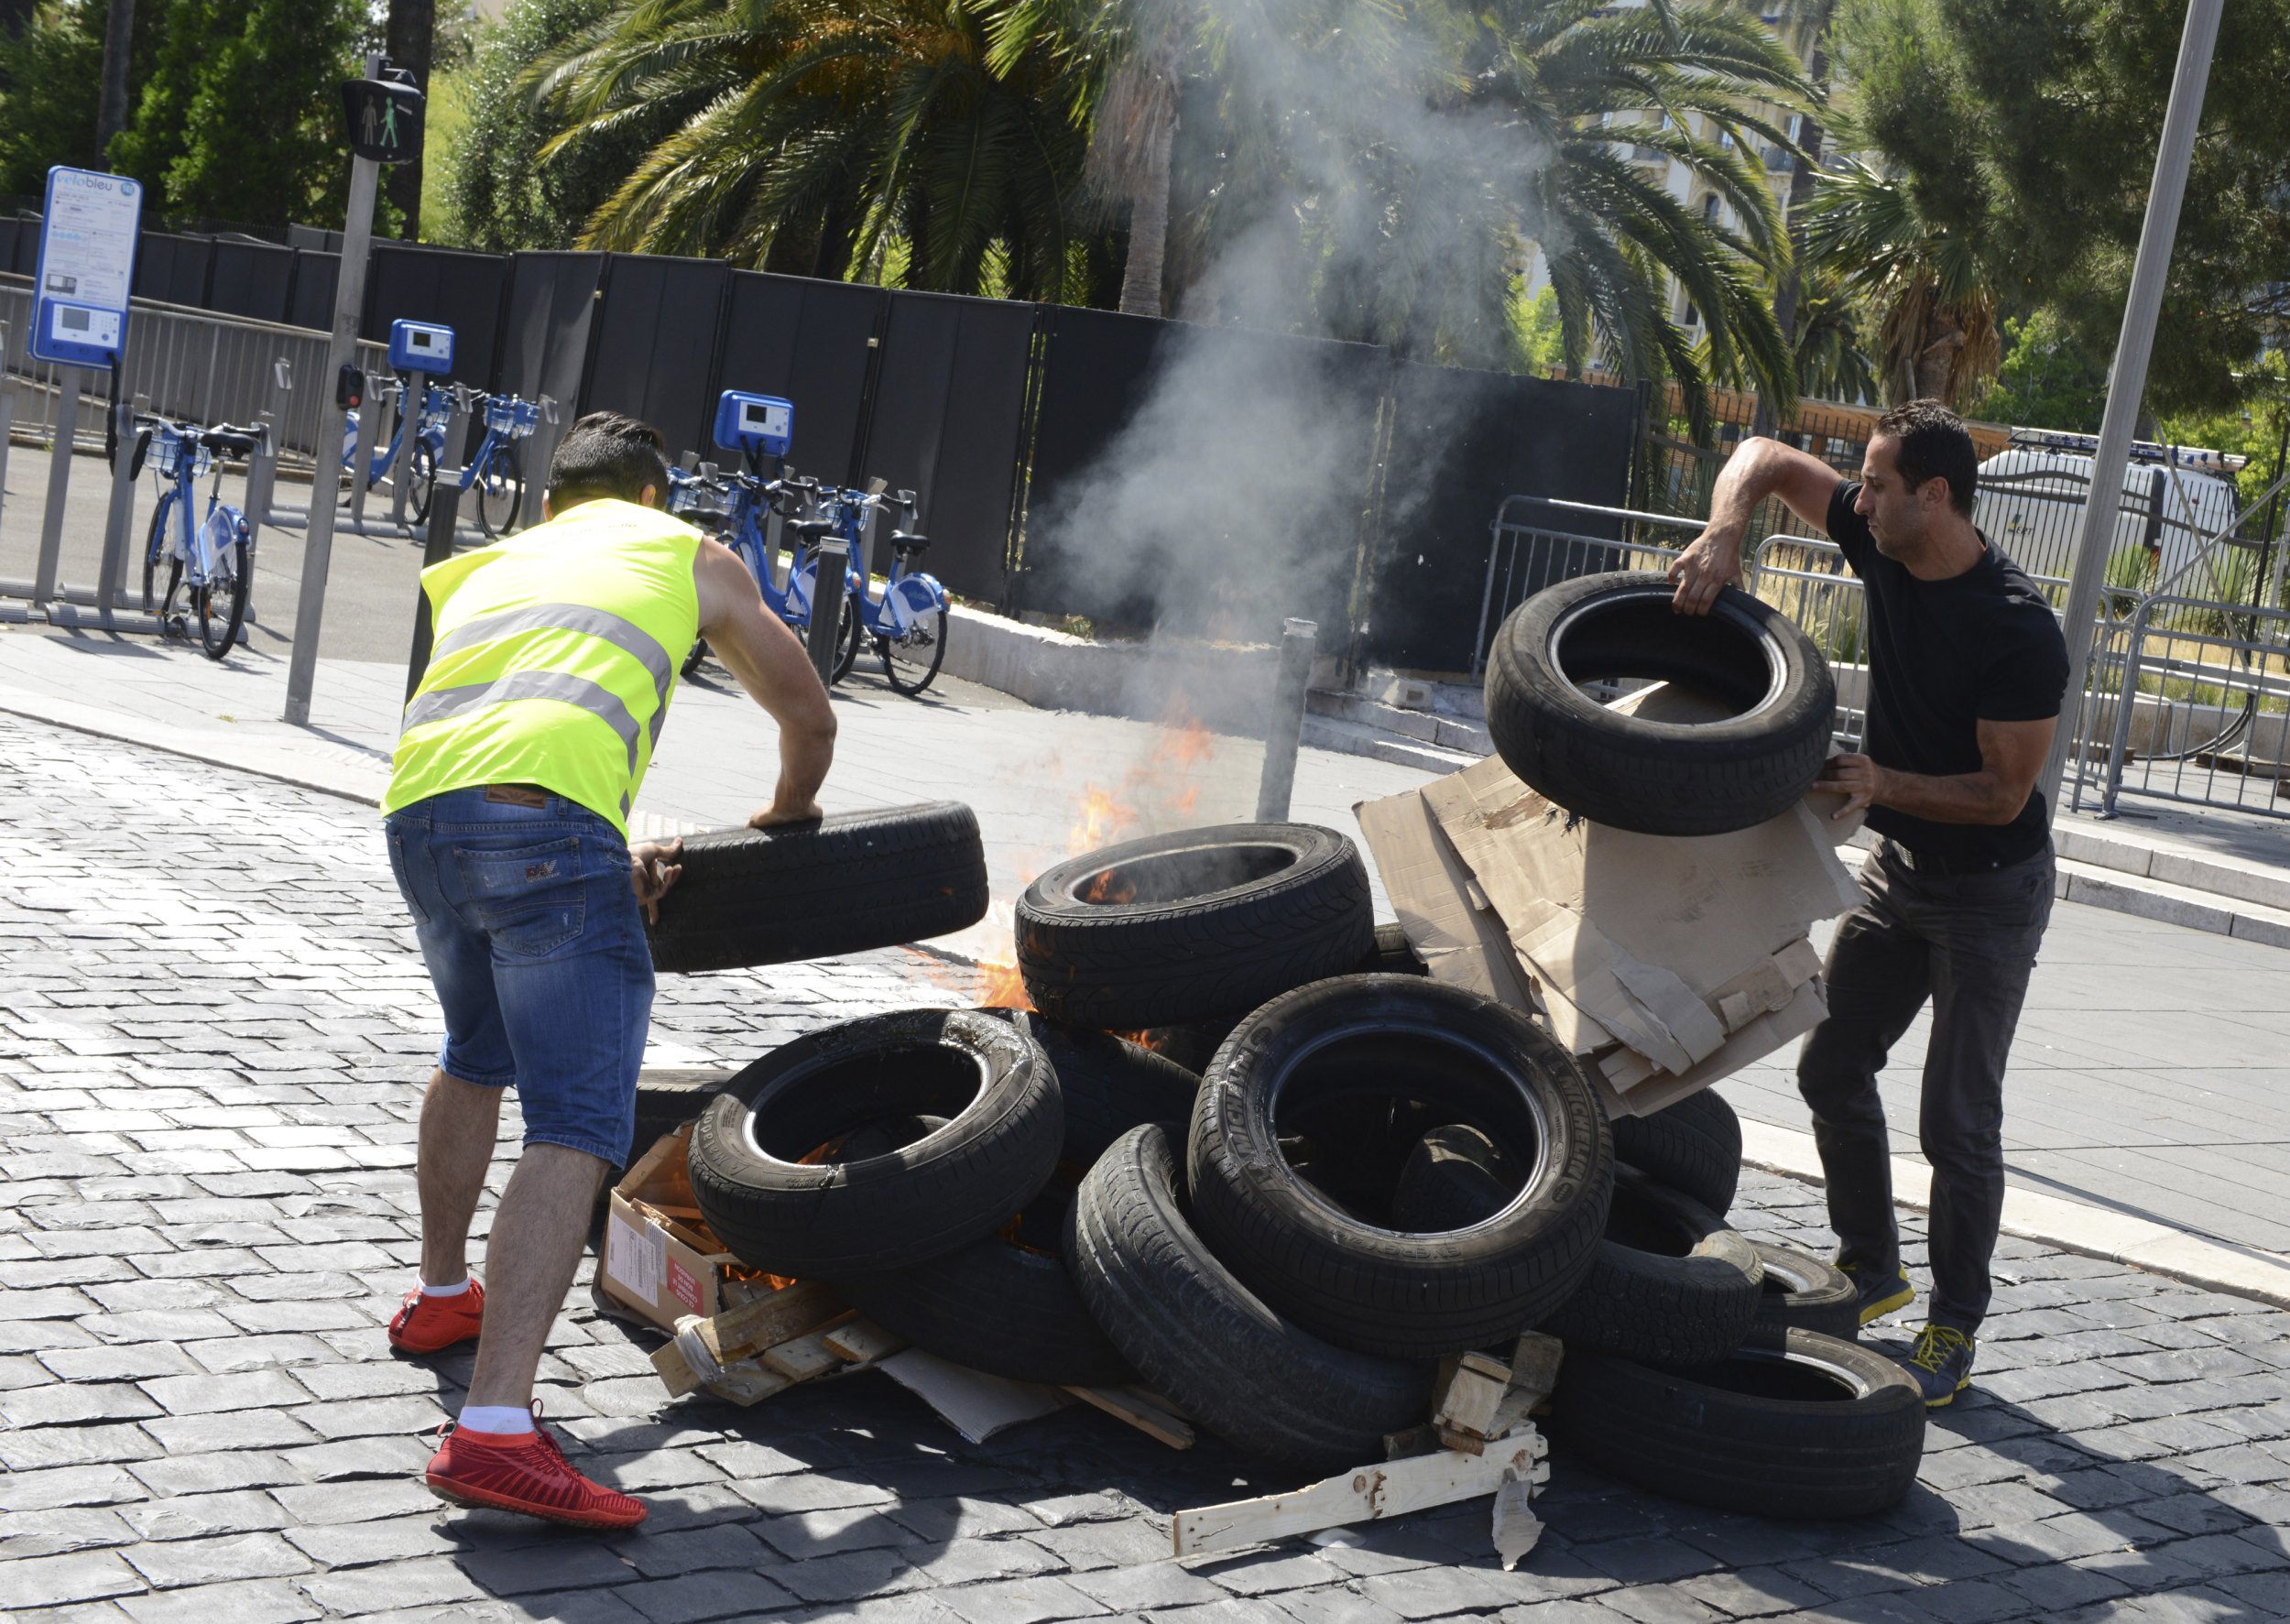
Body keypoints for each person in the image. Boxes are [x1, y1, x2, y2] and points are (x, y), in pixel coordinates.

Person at [378, 411, 836, 1525]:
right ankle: (493, 1429)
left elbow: (483, 725)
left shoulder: (476, 565)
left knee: (472, 1054)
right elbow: (808, 716)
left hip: (419, 823)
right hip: (544, 832)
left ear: (550, 504)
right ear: (650, 502)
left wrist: (583, 834)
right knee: (578, 1127)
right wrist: (780, 818)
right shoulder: (684, 552)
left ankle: (442, 1298)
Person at [1667, 399, 2068, 1407]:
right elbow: (1759, 456)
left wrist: (1881, 783)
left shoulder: (2017, 628)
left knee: (1957, 1124)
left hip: (1990, 893)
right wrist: (1724, 530)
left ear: (1933, 495)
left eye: (1878, 483)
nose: (1859, 497)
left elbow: (2002, 794)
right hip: (1900, 874)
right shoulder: (1879, 536)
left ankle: (1952, 1329)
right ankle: (1872, 1268)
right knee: (1832, 1067)